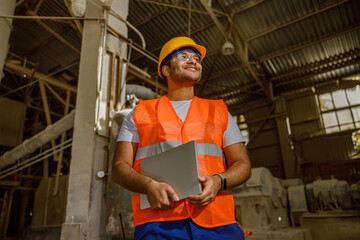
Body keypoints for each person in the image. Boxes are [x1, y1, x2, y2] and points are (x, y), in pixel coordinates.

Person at [112, 36, 252, 240]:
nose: (193, 60)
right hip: (158, 227)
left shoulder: (219, 111)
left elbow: (243, 165)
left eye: (196, 58)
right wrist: (148, 186)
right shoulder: (139, 114)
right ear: (166, 70)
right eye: (183, 56)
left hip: (217, 224)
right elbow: (119, 167)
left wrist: (218, 181)